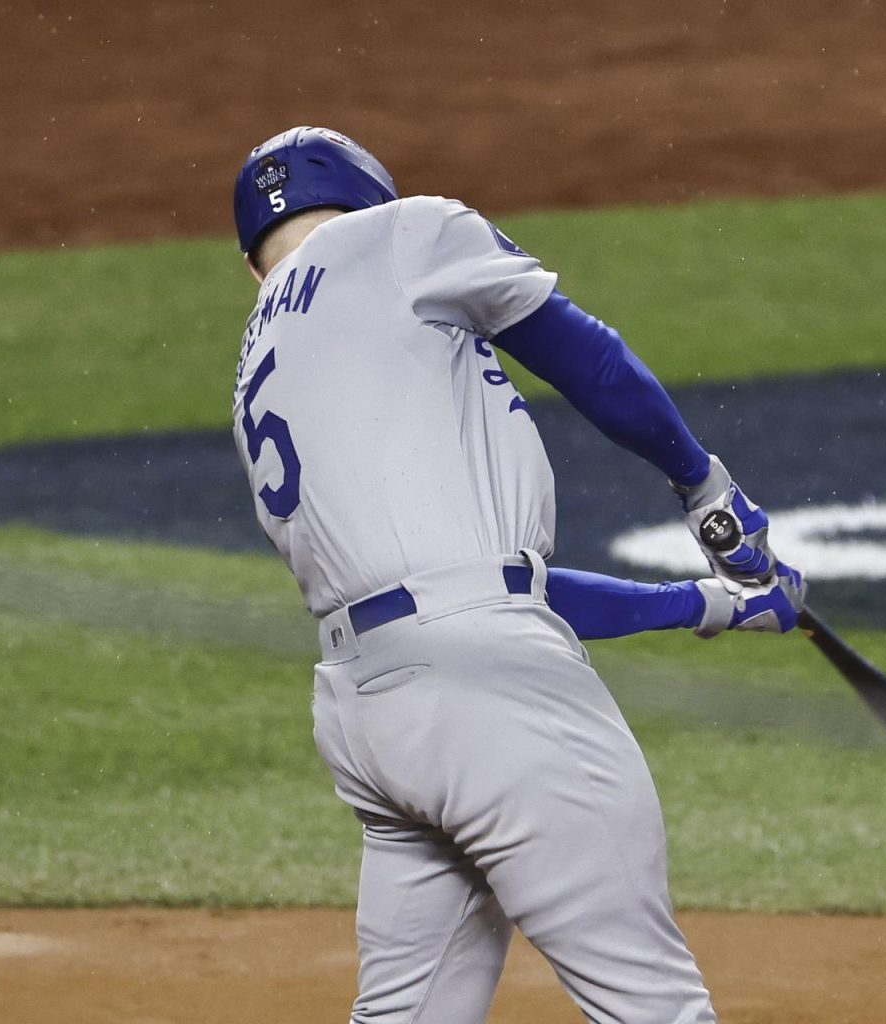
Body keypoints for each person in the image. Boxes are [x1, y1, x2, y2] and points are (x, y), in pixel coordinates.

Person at [229, 125, 805, 1024]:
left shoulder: (260, 365)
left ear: (256, 269)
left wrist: (708, 605)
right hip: (487, 697)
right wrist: (708, 493)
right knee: (653, 1005)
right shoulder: (406, 234)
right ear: (373, 200)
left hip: (369, 717)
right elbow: (589, 359)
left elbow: (475, 594)